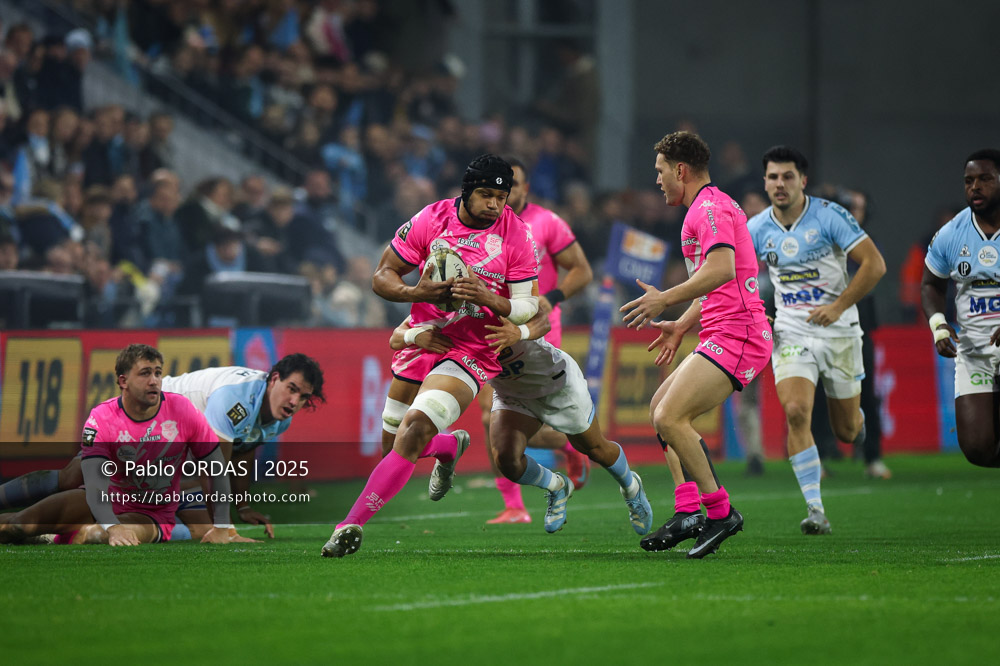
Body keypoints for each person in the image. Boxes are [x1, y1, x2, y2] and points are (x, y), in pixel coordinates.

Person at [322, 154, 541, 558]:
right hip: (423, 336)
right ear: (466, 191)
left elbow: (529, 305)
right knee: (392, 448)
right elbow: (382, 276)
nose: (495, 204)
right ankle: (445, 447)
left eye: (502, 196)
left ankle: (347, 526)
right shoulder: (430, 219)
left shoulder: (518, 234)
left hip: (472, 348)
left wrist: (489, 297)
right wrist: (414, 294)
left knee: (415, 426)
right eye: (486, 195)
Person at [621, 132, 771, 558]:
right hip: (721, 328)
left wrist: (665, 298)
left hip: (739, 333)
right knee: (659, 410)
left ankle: (720, 513)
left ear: (680, 171)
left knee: (671, 416)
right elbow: (722, 281)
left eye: (660, 171)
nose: (658, 180)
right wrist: (683, 323)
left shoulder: (709, 208)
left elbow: (723, 269)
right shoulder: (705, 209)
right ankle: (689, 510)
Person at [0, 354, 324, 540]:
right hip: (151, 415)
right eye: (291, 389)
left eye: (303, 397)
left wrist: (242, 508)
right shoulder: (236, 398)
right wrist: (223, 527)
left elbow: (243, 452)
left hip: (176, 439)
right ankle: (36, 524)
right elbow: (216, 464)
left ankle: (50, 528)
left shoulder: (280, 418)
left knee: (136, 495)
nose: (294, 401)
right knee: (83, 479)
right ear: (274, 378)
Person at [390, 313, 653, 535]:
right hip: (510, 392)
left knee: (595, 449)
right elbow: (395, 338)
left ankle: (631, 485)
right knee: (507, 460)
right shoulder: (440, 312)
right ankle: (557, 486)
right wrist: (415, 336)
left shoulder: (500, 297)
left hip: (555, 383)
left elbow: (543, 320)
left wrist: (519, 331)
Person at [746, 146, 886, 534]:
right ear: (765, 181)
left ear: (802, 181)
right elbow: (735, 276)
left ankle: (856, 421)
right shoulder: (756, 229)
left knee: (846, 431)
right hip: (790, 330)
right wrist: (759, 309)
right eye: (773, 177)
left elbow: (875, 265)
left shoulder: (830, 216)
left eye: (787, 176)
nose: (780, 184)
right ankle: (815, 509)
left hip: (839, 330)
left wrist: (839, 306)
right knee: (795, 411)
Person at [482, 156, 594, 524]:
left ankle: (570, 442)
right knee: (489, 417)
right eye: (500, 186)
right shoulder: (480, 226)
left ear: (525, 188)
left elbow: (582, 268)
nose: (506, 192)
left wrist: (554, 296)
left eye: (513, 185)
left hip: (539, 328)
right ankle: (514, 505)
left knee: (541, 416)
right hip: (489, 327)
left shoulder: (546, 222)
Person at [922, 149, 1000, 468]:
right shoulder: (951, 234)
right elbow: (931, 284)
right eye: (969, 181)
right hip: (974, 353)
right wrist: (939, 325)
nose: (975, 187)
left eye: (985, 179)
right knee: (978, 449)